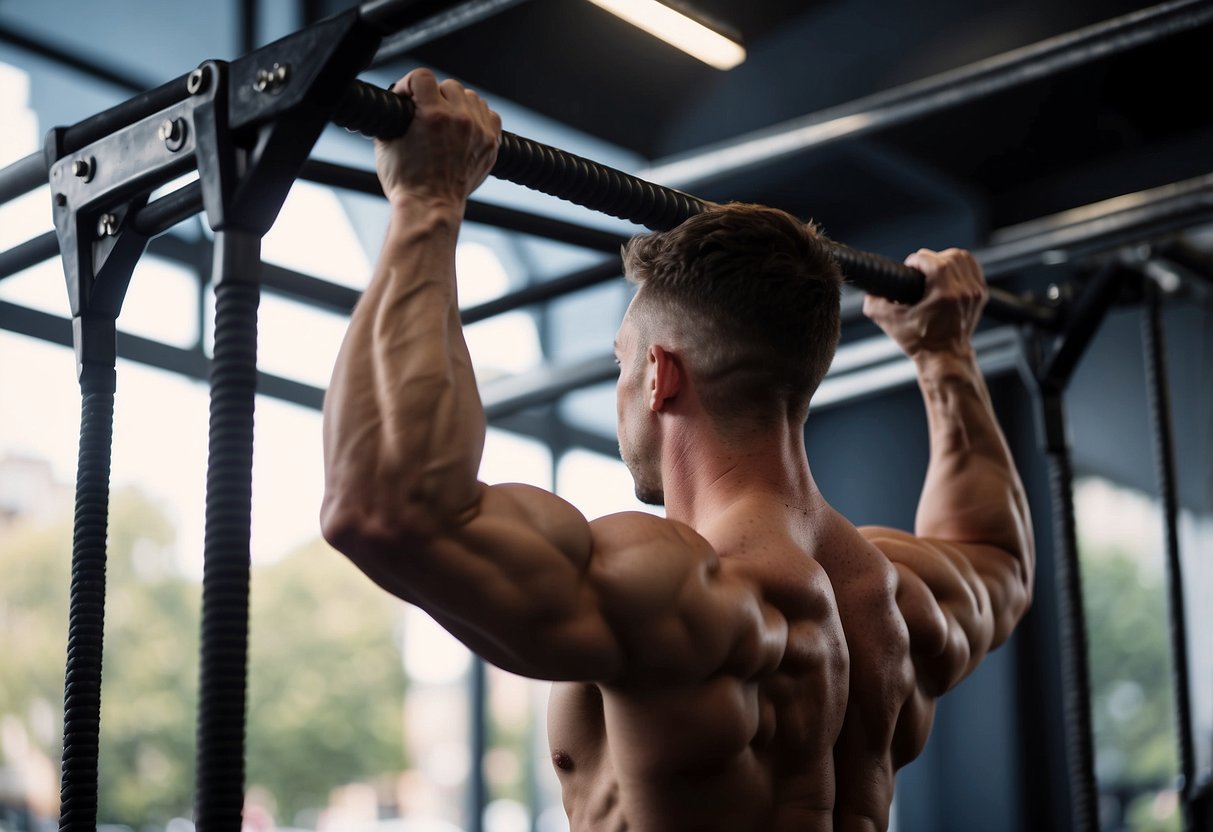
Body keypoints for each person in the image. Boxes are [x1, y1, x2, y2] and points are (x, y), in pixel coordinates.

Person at [321, 68, 1034, 832]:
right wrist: (944, 358)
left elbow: (384, 507)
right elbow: (997, 556)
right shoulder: (896, 597)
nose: (620, 385)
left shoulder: (671, 588)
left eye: (622, 363)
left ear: (659, 375)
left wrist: (427, 202)